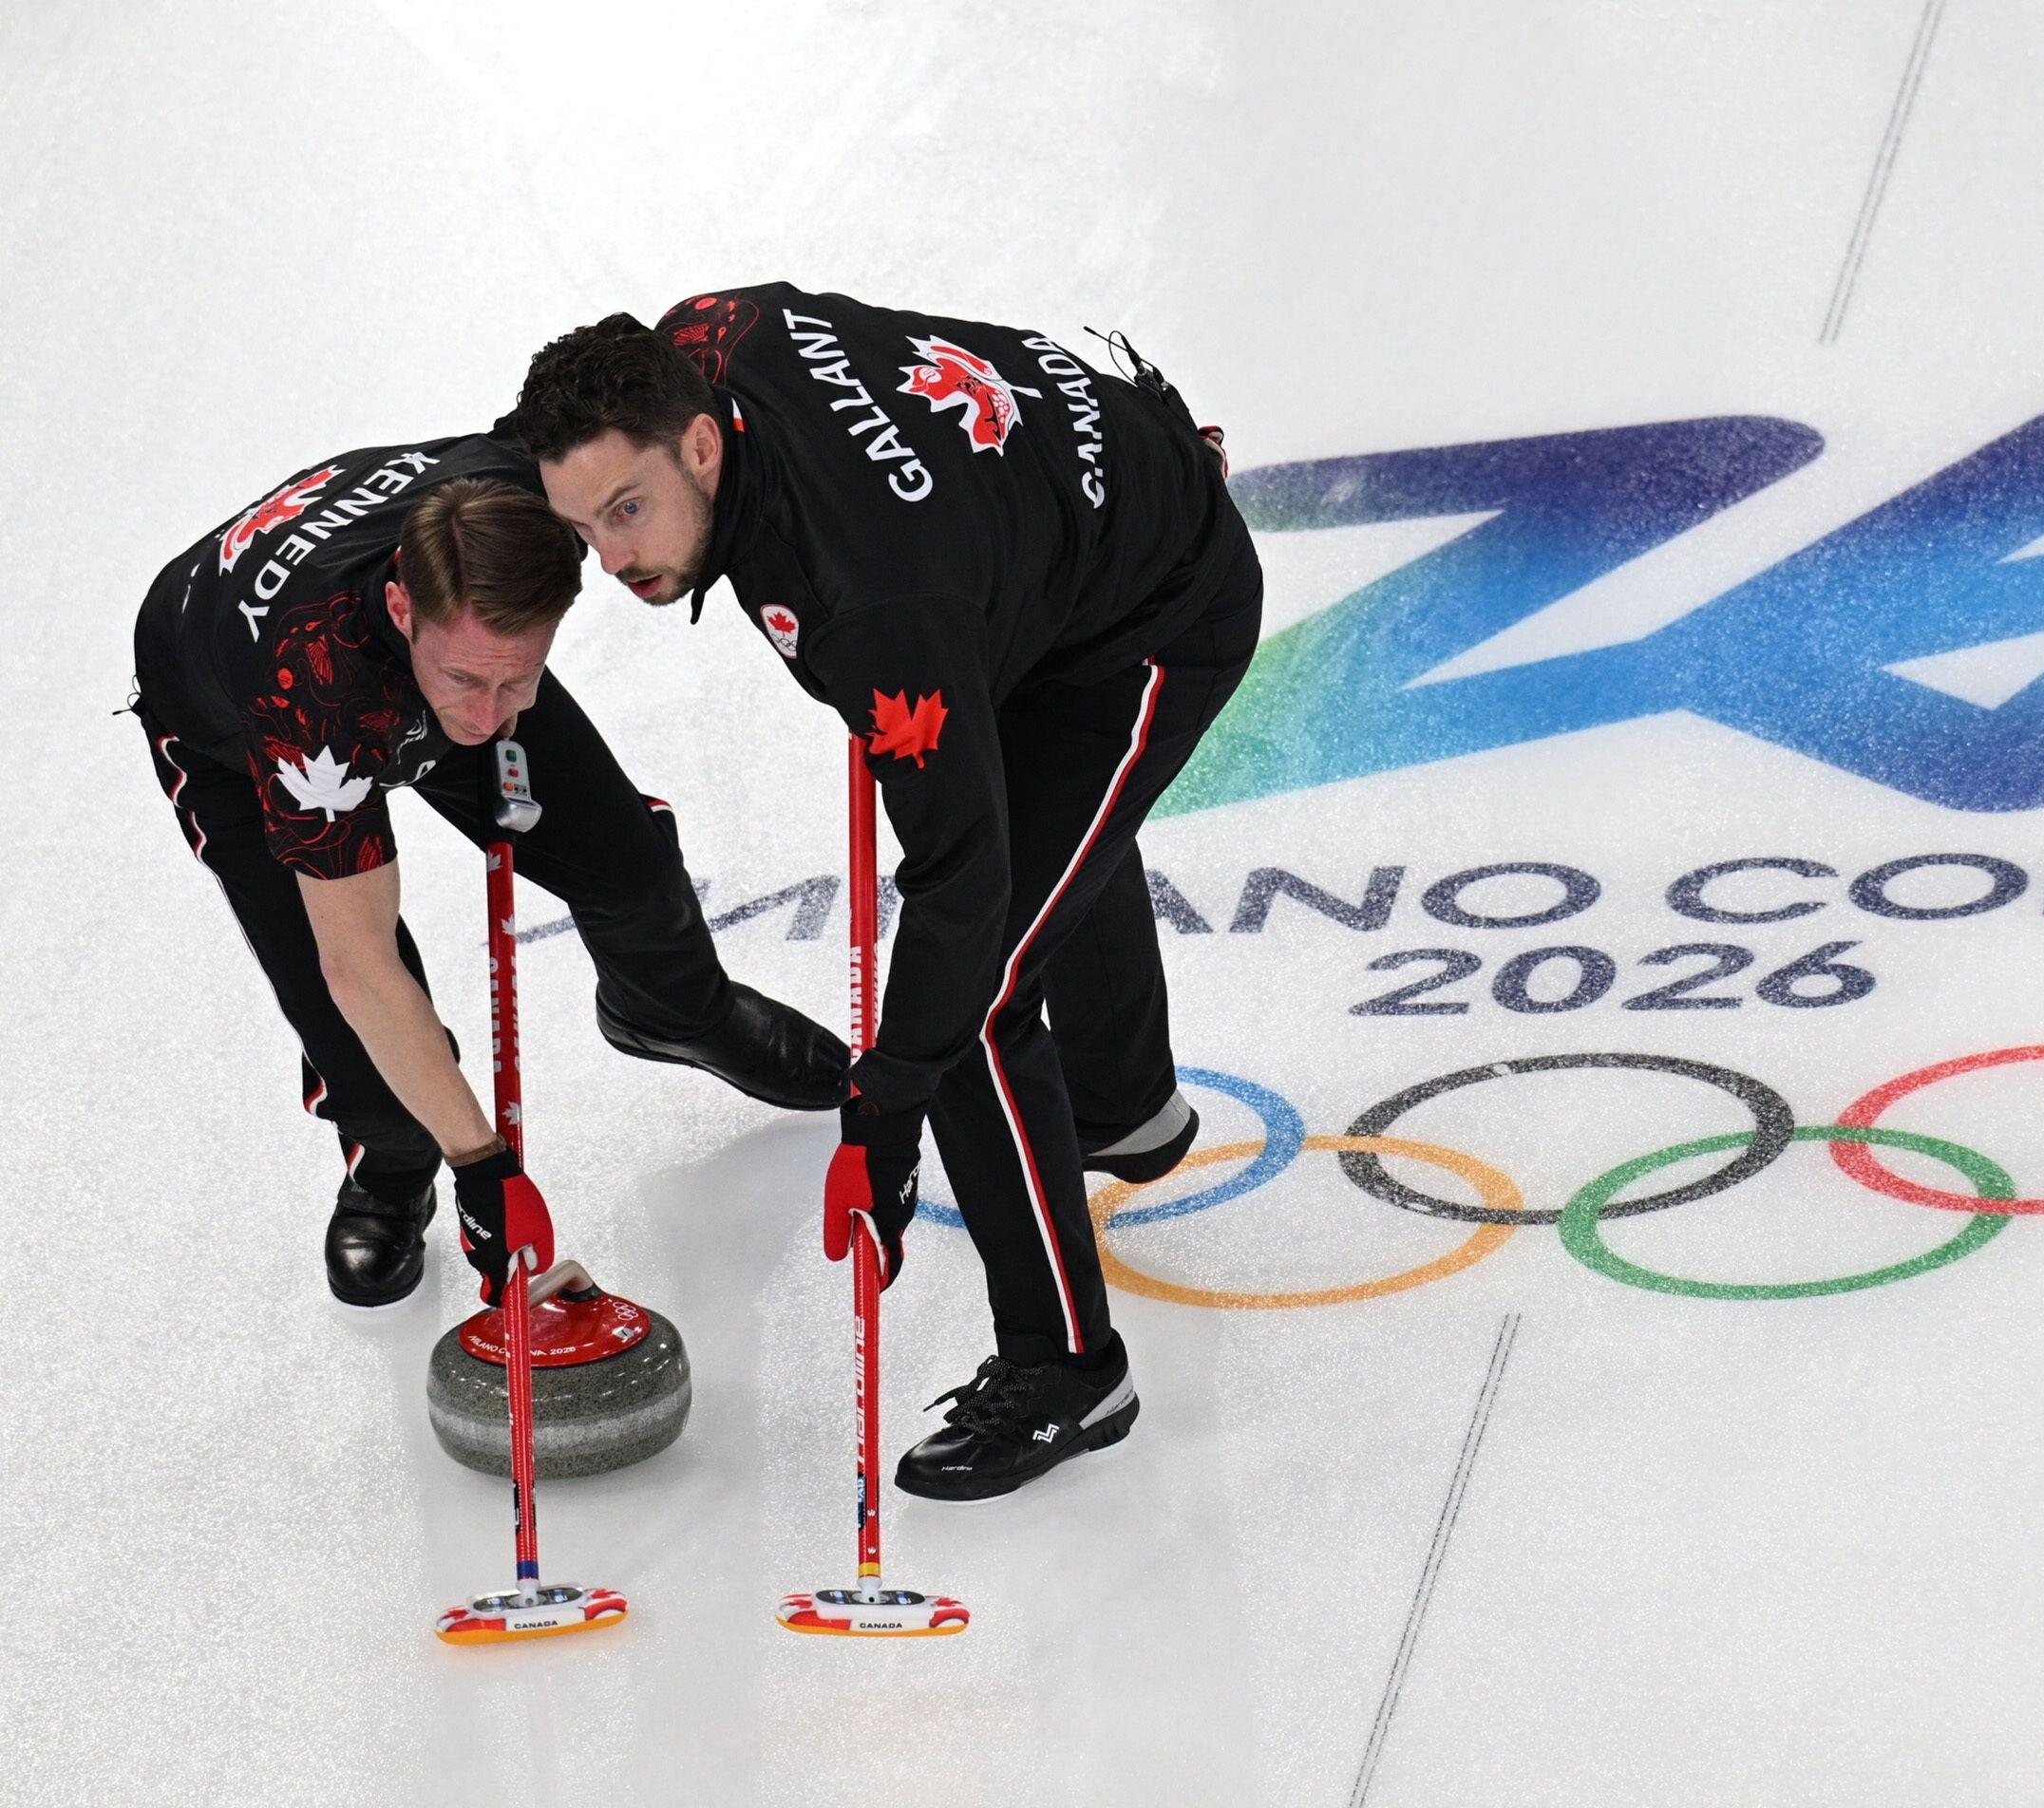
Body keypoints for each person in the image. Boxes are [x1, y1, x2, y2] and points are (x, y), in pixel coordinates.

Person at [508, 289, 1259, 1500]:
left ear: (699, 443)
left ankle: (1068, 1367)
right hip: (1030, 553)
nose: (610, 560)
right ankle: (1127, 1109)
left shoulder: (871, 604)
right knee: (1040, 834)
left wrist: (886, 1109)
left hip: (1149, 609)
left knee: (972, 1001)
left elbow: (962, 889)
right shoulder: (702, 340)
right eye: (581, 525)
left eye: (627, 511)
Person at [130, 433, 848, 1309]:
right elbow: (358, 965)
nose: (484, 719)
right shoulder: (314, 694)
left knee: (624, 860)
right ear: (403, 606)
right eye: (468, 680)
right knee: (339, 1003)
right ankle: (391, 1163)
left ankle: (675, 1012)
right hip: (238, 722)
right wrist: (480, 1163)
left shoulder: (531, 500)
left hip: (418, 638)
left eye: (520, 678)